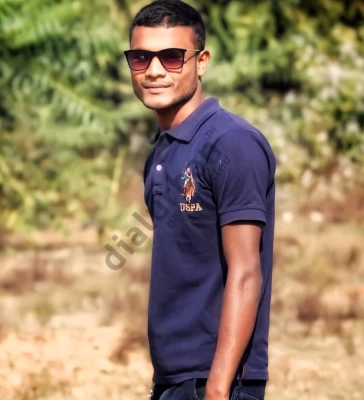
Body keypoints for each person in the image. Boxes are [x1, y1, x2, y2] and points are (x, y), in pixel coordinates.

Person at [123, 1, 276, 399]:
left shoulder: (232, 143)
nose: (154, 71)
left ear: (201, 62)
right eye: (141, 58)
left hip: (218, 380)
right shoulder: (163, 151)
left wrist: (218, 388)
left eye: (172, 57)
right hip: (174, 378)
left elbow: (246, 272)